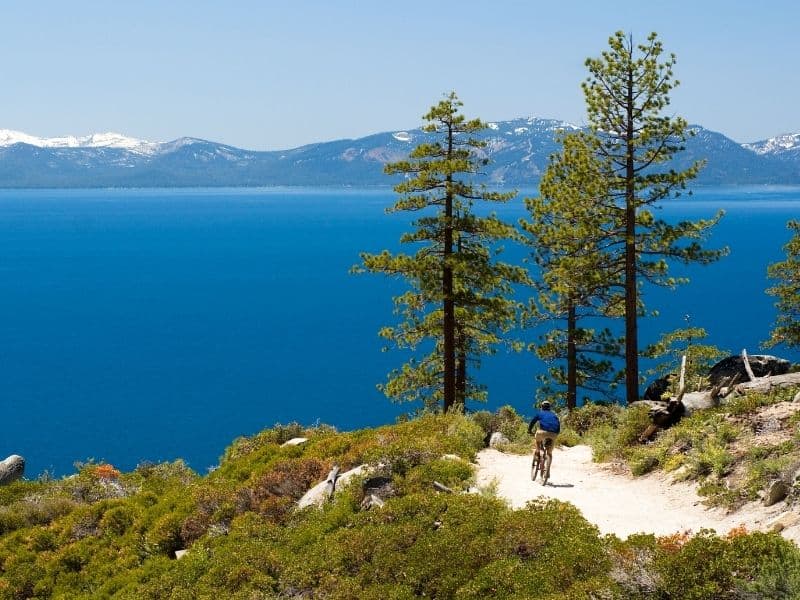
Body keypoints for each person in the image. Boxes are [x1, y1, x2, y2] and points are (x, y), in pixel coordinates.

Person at [528, 400, 560, 475]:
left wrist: (529, 430)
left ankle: (539, 450)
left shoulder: (540, 413)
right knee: (549, 453)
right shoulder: (554, 415)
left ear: (542, 407)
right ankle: (547, 472)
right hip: (554, 434)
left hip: (542, 432)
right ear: (549, 408)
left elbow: (533, 422)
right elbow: (558, 425)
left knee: (537, 439)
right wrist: (556, 434)